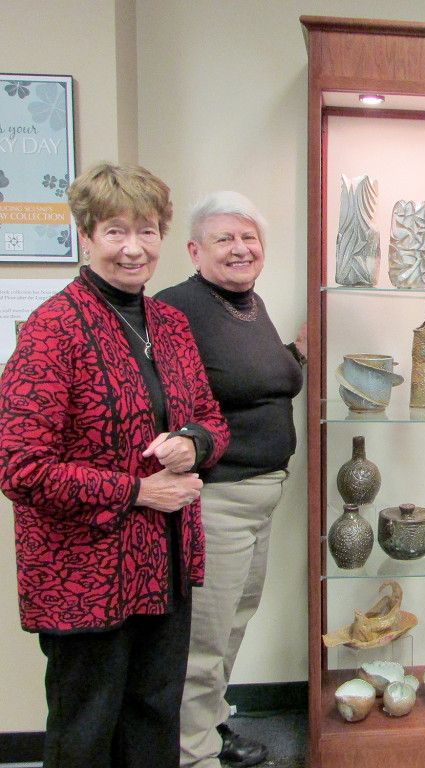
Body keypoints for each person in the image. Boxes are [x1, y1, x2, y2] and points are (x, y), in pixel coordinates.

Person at [0, 163, 229, 768]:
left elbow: (210, 416)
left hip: (165, 565)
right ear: (86, 236)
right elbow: (20, 466)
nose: (134, 248)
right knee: (87, 731)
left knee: (155, 720)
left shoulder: (171, 324)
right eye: (116, 232)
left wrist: (193, 443)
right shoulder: (54, 327)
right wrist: (137, 492)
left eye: (148, 231)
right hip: (84, 573)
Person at [155, 191, 306, 768]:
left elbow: (248, 379)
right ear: (195, 250)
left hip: (262, 498)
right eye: (224, 239)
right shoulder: (176, 309)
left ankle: (213, 730)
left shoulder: (250, 304)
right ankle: (193, 757)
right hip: (214, 501)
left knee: (234, 625)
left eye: (249, 238)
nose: (240, 249)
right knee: (202, 642)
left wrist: (297, 354)